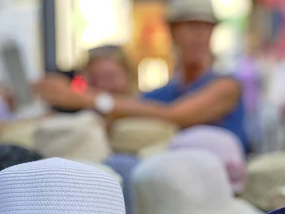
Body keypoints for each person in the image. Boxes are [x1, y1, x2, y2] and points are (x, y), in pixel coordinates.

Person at [35, 0, 247, 150]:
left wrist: (83, 98)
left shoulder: (226, 87)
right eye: (191, 26)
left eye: (205, 27)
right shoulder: (163, 93)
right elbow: (127, 111)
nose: (198, 36)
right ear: (173, 31)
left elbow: (175, 116)